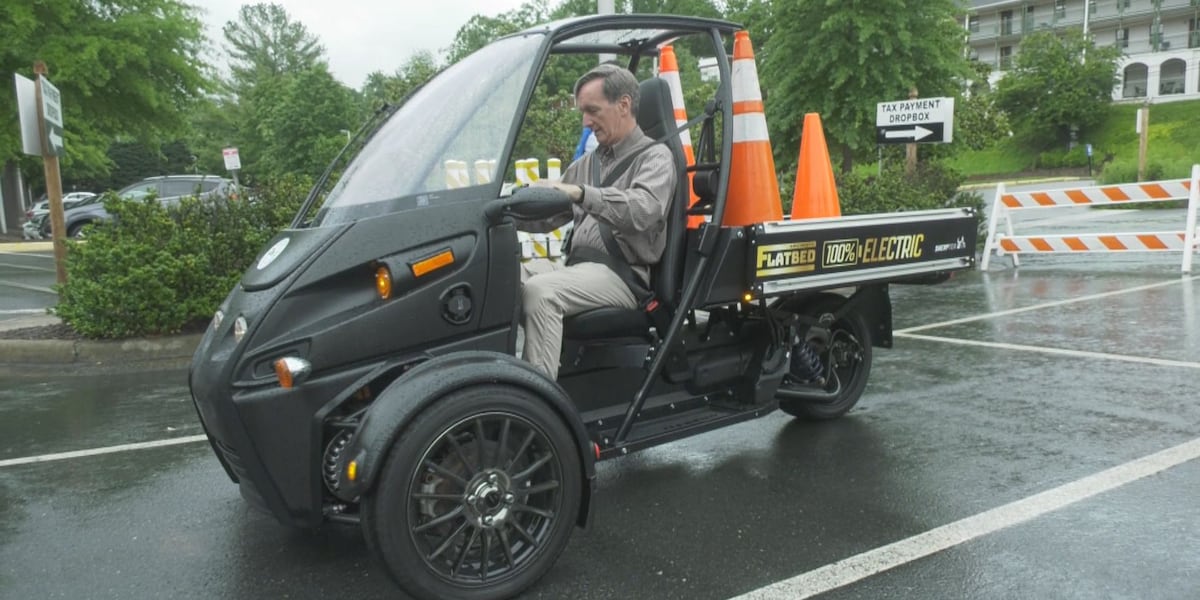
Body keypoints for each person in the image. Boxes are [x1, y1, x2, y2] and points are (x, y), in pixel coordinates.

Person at [519, 63, 677, 378]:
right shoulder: (585, 164)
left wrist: (580, 193)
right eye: (583, 112)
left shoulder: (656, 158)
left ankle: (538, 407)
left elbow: (643, 211)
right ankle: (493, 385)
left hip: (623, 278)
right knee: (498, 279)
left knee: (541, 291)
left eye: (592, 110)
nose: (585, 121)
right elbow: (548, 216)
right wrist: (506, 212)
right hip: (578, 270)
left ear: (623, 105)